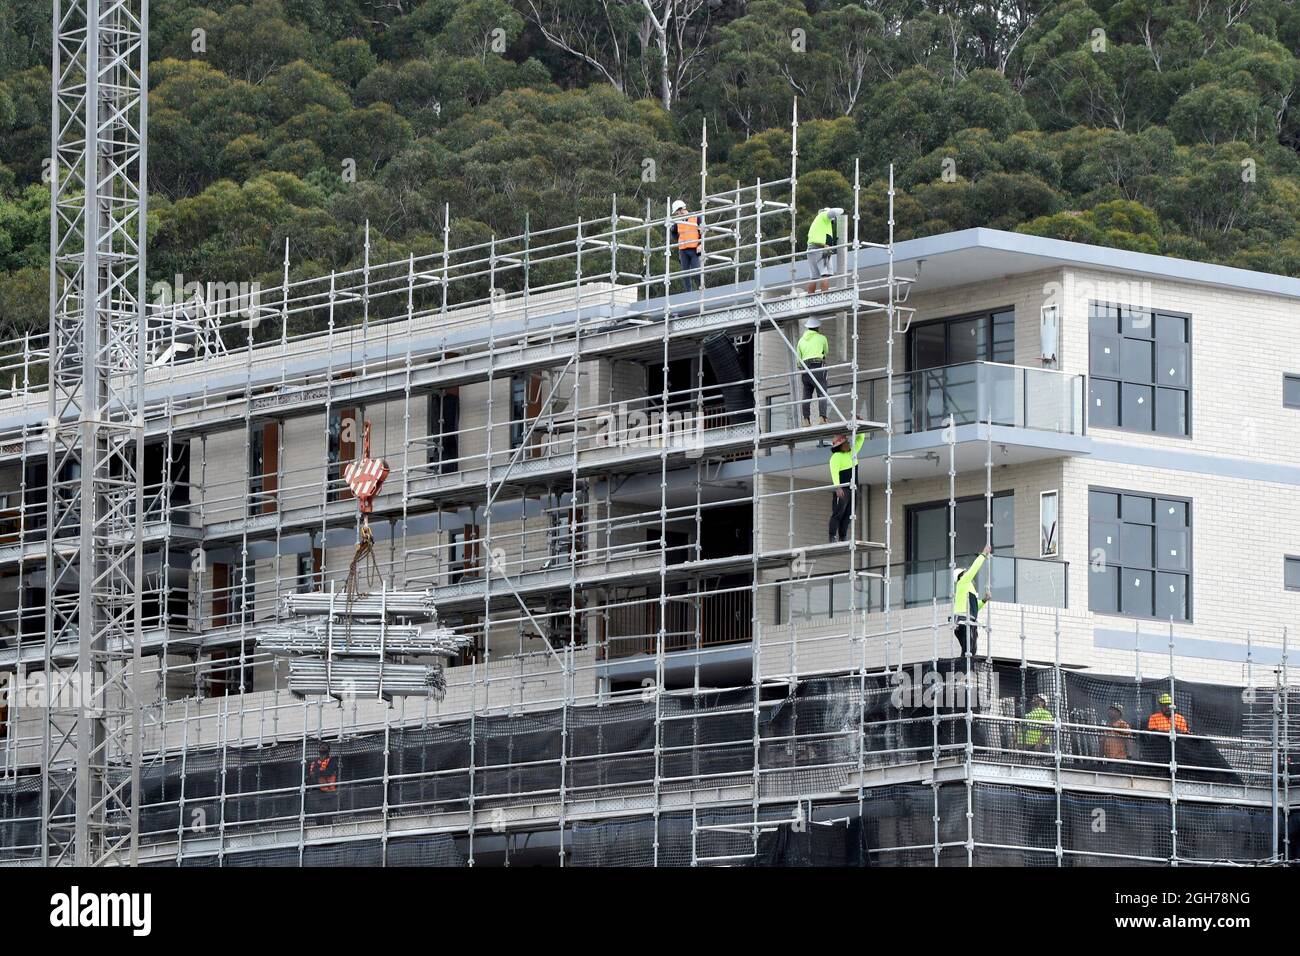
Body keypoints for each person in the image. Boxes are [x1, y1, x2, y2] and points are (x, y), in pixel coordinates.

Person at [951, 544, 992, 657]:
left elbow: (974, 607)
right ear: (961, 575)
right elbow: (974, 568)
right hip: (964, 621)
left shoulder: (968, 588)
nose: (967, 573)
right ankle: (964, 667)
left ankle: (966, 667)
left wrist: (984, 600)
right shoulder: (963, 582)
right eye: (965, 572)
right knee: (968, 650)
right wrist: (983, 554)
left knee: (971, 650)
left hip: (968, 620)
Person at [827, 431, 865, 543]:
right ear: (840, 446)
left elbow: (860, 439)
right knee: (838, 513)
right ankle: (832, 536)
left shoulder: (852, 453)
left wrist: (859, 428)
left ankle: (842, 537)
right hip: (843, 489)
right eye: (846, 442)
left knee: (849, 515)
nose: (848, 443)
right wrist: (837, 487)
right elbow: (834, 472)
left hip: (853, 490)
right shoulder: (836, 457)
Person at [797, 317, 830, 426]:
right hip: (818, 366)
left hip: (805, 369)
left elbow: (798, 362)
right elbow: (826, 352)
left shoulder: (801, 341)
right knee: (822, 393)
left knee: (806, 395)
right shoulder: (822, 338)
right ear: (817, 328)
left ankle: (806, 420)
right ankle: (822, 418)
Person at [805, 206, 844, 294]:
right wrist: (842, 210)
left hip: (811, 248)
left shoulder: (818, 223)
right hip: (820, 248)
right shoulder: (824, 216)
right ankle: (825, 297)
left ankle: (809, 298)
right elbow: (837, 211)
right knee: (825, 274)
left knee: (814, 276)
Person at [669, 199, 701, 292]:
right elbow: (674, 233)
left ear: (681, 210)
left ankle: (701, 288)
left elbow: (702, 232)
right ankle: (688, 292)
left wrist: (700, 244)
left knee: (696, 271)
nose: (676, 215)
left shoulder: (696, 218)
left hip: (694, 249)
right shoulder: (678, 222)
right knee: (685, 274)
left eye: (677, 213)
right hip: (683, 250)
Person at [307, 741, 339, 819]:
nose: (323, 747)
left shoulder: (332, 761)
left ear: (328, 750)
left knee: (327, 812)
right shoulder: (314, 762)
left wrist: (318, 773)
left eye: (325, 746)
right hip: (317, 790)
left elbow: (329, 772)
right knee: (318, 812)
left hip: (329, 790)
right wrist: (319, 773)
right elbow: (311, 775)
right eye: (321, 746)